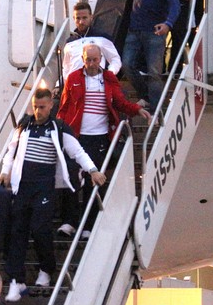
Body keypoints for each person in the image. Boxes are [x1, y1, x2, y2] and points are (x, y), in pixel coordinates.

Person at [0, 88, 106, 301]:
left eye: (43, 107)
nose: (38, 111)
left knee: (39, 228)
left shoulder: (58, 128)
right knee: (17, 231)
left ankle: (46, 269)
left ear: (51, 106)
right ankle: (16, 280)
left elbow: (77, 151)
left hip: (44, 186)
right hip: (23, 186)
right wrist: (4, 172)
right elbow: (11, 150)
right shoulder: (24, 125)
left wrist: (93, 170)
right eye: (36, 107)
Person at [55, 44, 151, 238]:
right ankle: (70, 222)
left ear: (101, 59)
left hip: (99, 137)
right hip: (76, 136)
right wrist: (58, 129)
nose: (91, 64)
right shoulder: (73, 78)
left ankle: (88, 226)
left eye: (95, 59)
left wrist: (136, 109)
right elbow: (64, 107)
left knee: (93, 181)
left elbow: (119, 102)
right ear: (82, 59)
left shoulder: (108, 78)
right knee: (72, 177)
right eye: (88, 59)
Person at [122, 0, 180, 114]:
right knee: (127, 64)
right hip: (135, 29)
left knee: (154, 71)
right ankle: (145, 96)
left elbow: (174, 5)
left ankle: (156, 107)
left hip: (154, 31)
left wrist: (168, 24)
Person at [63, 1, 122, 79]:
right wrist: (61, 84)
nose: (81, 22)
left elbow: (115, 59)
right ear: (74, 18)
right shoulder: (69, 42)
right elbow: (66, 68)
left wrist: (109, 74)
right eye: (78, 18)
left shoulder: (102, 37)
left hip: (96, 83)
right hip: (75, 86)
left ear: (91, 17)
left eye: (84, 18)